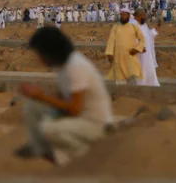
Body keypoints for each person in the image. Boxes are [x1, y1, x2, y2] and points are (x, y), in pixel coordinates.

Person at [15, 27, 112, 166]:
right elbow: (63, 98)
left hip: (94, 123)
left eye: (41, 54)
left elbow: (74, 109)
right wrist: (39, 97)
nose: (40, 59)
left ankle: (86, 159)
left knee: (48, 129)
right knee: (34, 107)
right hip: (77, 118)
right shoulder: (63, 67)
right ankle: (43, 151)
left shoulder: (76, 67)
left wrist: (41, 96)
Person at [105, 7, 145, 85]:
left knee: (133, 77)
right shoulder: (115, 27)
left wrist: (137, 49)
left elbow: (142, 39)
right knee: (120, 81)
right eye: (121, 15)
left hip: (131, 57)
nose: (122, 16)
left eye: (124, 15)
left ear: (129, 16)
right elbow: (111, 41)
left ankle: (133, 96)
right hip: (118, 58)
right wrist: (109, 53)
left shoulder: (134, 26)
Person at [134, 9, 159, 87]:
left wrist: (154, 31)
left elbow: (148, 36)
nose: (145, 17)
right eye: (143, 16)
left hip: (148, 54)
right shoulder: (133, 25)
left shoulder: (144, 25)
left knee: (149, 71)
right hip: (139, 54)